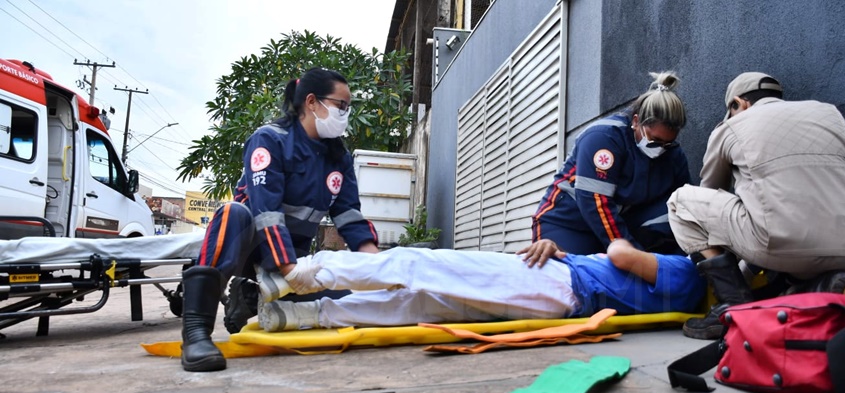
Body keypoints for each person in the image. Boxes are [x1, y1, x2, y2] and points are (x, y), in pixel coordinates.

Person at [180, 68, 379, 372]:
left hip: (294, 257)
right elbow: (267, 211)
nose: (345, 114)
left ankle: (253, 296)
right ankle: (196, 331)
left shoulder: (338, 157)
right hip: (251, 247)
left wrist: (378, 270)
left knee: (347, 302)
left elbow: (349, 215)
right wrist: (290, 269)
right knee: (233, 213)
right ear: (312, 102)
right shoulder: (270, 140)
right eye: (341, 105)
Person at [667, 72, 845, 340]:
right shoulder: (828, 113)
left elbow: (709, 193)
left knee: (681, 202)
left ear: (738, 103)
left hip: (781, 244)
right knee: (790, 215)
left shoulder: (732, 126)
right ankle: (818, 288)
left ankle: (732, 307)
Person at [252, 239, 706, 331]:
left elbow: (620, 254)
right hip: (561, 299)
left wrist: (622, 241)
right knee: (420, 306)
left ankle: (304, 276)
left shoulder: (687, 272)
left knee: (420, 265)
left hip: (561, 285)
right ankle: (306, 315)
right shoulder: (692, 290)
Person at [531, 71, 691, 256]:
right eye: (655, 141)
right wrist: (632, 255)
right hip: (568, 223)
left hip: (617, 224)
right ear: (636, 121)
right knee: (570, 275)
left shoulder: (673, 155)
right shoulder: (603, 138)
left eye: (668, 143)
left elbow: (685, 202)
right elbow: (595, 201)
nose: (661, 148)